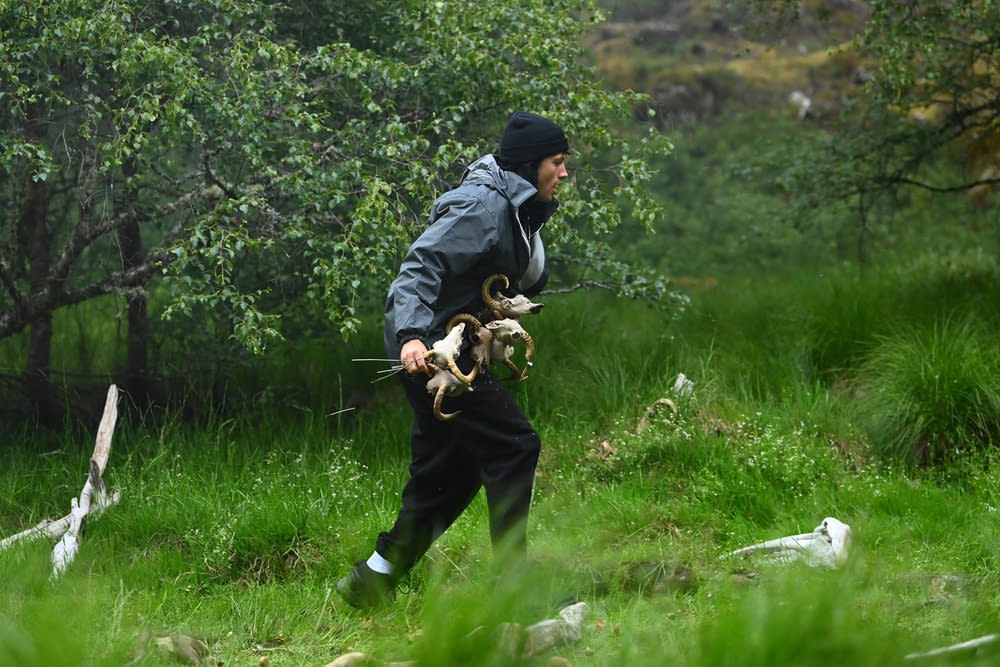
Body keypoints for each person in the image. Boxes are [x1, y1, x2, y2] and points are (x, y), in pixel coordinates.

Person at [336, 111, 570, 609]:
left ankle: (373, 578)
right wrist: (411, 337)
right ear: (531, 164)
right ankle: (514, 589)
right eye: (557, 161)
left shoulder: (517, 207)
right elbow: (419, 267)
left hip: (452, 346)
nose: (564, 172)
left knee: (451, 472)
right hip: (431, 355)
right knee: (515, 445)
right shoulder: (481, 207)